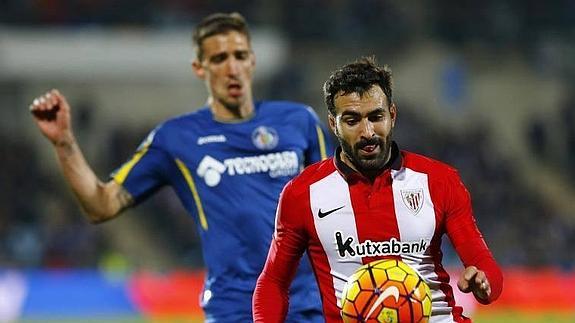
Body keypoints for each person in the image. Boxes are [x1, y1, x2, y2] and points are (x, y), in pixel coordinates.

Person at [29, 12, 332, 322]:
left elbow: (338, 203)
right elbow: (101, 205)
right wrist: (64, 143)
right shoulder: (176, 138)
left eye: (240, 55)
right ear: (199, 68)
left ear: (252, 60)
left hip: (308, 305)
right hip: (236, 309)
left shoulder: (300, 122)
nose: (232, 68)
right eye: (219, 58)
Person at [253, 57, 503, 322]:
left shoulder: (439, 181)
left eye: (376, 117)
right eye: (352, 120)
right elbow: (273, 282)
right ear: (332, 123)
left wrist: (483, 282)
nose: (367, 132)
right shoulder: (302, 193)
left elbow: (486, 268)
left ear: (392, 115)